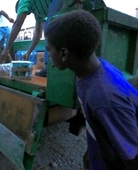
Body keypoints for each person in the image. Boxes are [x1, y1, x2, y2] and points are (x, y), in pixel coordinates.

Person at [44, 9, 138, 169]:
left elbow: (133, 158)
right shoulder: (91, 71)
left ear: (64, 53)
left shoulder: (103, 97)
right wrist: (93, 151)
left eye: (48, 50)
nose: (48, 55)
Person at [0, 0, 99, 77]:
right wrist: (28, 52)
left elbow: (18, 23)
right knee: (84, 22)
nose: (27, 13)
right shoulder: (38, 11)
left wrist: (7, 49)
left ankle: (48, 68)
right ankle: (84, 63)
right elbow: (38, 32)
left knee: (51, 26)